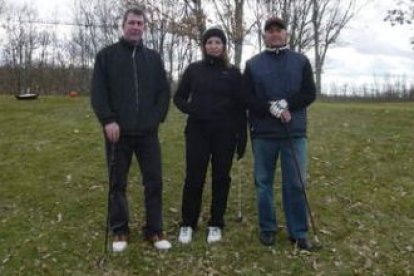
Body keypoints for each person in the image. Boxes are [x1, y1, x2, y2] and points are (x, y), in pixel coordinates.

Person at [90, 8, 171, 252]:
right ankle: (120, 230)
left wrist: (155, 118)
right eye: (132, 23)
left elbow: (163, 93)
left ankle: (154, 231)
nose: (136, 27)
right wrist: (108, 120)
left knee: (154, 182)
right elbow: (98, 93)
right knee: (117, 184)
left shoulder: (153, 58)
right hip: (118, 133)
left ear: (144, 28)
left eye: (140, 23)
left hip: (147, 133)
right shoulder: (106, 56)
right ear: (123, 25)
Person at [242, 17, 316, 250]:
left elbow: (309, 93)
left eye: (279, 30)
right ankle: (268, 228)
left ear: (286, 34)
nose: (274, 34)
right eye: (270, 31)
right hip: (264, 133)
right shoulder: (253, 64)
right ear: (264, 35)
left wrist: (286, 104)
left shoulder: (301, 61)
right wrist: (269, 107)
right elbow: (246, 97)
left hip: (294, 132)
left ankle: (299, 231)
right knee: (263, 183)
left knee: (295, 182)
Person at [173, 27, 246, 244]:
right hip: (198, 132)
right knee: (194, 177)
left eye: (218, 42)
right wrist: (193, 109)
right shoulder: (194, 70)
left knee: (221, 178)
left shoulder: (233, 73)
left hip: (225, 133)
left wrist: (242, 136)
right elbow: (179, 98)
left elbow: (241, 107)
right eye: (209, 42)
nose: (214, 46)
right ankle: (188, 223)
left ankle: (216, 223)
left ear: (224, 46)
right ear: (204, 46)